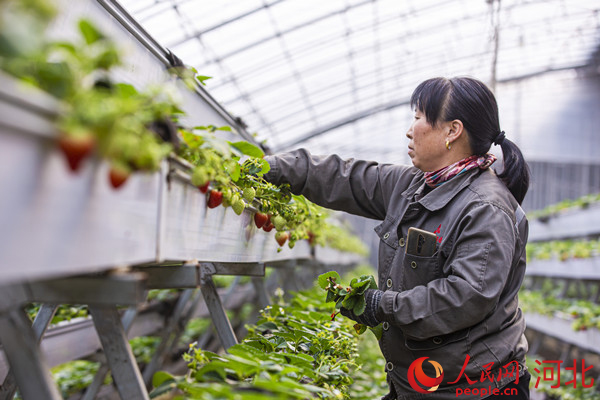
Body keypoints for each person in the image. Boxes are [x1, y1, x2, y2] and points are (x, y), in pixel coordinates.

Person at [263, 76, 531, 399]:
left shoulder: (485, 208)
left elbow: (465, 297)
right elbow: (346, 178)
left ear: (452, 131)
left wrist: (382, 305)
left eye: (418, 118)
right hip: (421, 384)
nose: (409, 130)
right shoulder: (415, 184)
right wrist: (273, 168)